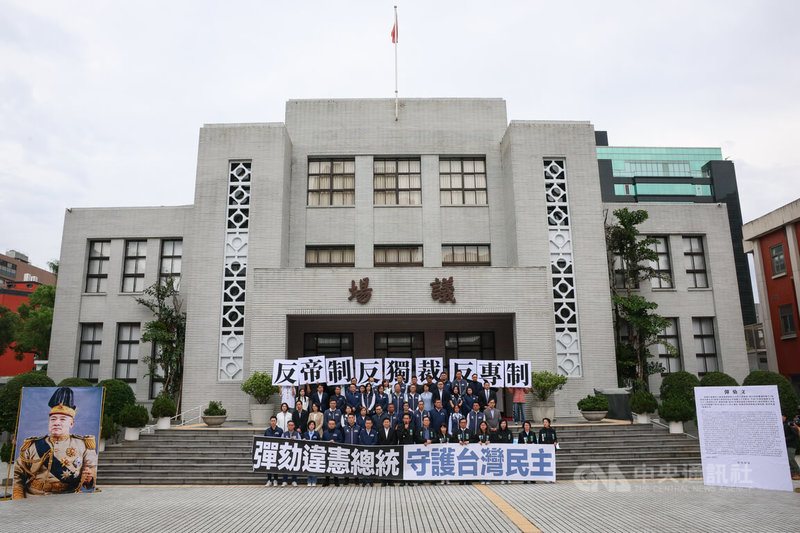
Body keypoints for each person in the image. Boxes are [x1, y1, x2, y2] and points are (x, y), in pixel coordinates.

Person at [13, 387, 97, 499]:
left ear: (71, 423)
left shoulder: (84, 445)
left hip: (68, 498)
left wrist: (89, 478)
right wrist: (18, 499)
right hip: (33, 498)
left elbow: (92, 471)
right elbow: (18, 475)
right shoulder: (32, 446)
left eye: (62, 419)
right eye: (53, 419)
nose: (57, 423)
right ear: (49, 422)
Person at [450, 417, 474, 485]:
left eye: (464, 422)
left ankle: (468, 479)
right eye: (462, 423)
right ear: (460, 424)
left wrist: (468, 441)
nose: (463, 424)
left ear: (466, 423)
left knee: (468, 465)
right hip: (459, 453)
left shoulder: (469, 431)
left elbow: (474, 439)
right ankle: (461, 479)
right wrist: (458, 441)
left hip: (468, 453)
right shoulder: (456, 432)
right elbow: (452, 440)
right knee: (460, 465)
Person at [322, 419, 343, 487]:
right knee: (327, 466)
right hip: (327, 452)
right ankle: (327, 481)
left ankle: (336, 480)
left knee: (335, 466)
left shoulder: (338, 432)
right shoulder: (325, 432)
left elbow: (341, 440)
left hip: (336, 452)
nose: (331, 425)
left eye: (332, 424)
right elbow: (322, 441)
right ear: (328, 425)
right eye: (330, 424)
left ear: (335, 425)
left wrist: (335, 441)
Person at [281, 421, 302, 486]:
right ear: (287, 426)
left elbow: (300, 442)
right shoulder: (284, 434)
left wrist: (295, 440)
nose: (290, 426)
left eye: (292, 425)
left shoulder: (297, 434)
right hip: (285, 452)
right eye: (289, 425)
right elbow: (281, 442)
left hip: (294, 452)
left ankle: (294, 480)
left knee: (294, 466)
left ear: (294, 426)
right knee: (285, 466)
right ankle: (284, 481)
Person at [359, 418, 378, 486]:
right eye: (367, 423)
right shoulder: (362, 432)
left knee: (371, 466)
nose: (368, 424)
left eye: (369, 423)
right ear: (365, 424)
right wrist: (365, 447)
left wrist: (370, 447)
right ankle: (364, 480)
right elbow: (360, 441)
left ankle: (371, 480)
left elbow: (375, 441)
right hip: (364, 451)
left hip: (372, 451)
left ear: (372, 424)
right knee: (364, 466)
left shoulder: (374, 432)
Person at [302, 420, 321, 486]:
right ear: (308, 426)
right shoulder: (305, 434)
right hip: (307, 452)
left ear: (314, 426)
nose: (311, 426)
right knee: (308, 466)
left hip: (315, 452)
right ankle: (309, 481)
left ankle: (314, 481)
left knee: (314, 466)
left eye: (313, 425)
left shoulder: (317, 433)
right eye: (310, 425)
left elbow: (319, 442)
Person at [783, 415, 800, 480]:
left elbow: (795, 435)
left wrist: (785, 439)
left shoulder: (790, 424)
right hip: (787, 444)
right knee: (788, 459)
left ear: (784, 416)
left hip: (791, 445)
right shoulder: (783, 424)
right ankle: (793, 472)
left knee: (790, 458)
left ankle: (798, 472)